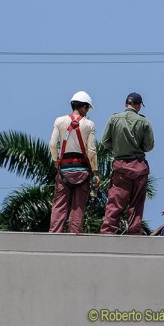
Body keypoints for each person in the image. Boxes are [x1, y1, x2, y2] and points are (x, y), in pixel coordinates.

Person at [100, 92, 155, 235]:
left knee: (115, 202)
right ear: (138, 105)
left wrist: (118, 147)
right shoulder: (145, 122)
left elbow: (105, 142)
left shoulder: (114, 119)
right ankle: (133, 232)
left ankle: (108, 232)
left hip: (120, 168)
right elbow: (149, 146)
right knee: (136, 205)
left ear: (126, 104)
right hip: (139, 168)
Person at [49, 91, 100, 233]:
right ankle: (74, 235)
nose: (87, 112)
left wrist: (55, 161)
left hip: (64, 170)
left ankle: (54, 234)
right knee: (78, 207)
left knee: (59, 205)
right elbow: (92, 151)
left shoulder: (59, 121)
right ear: (83, 107)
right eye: (87, 108)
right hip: (82, 170)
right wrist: (95, 172)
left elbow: (52, 144)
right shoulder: (89, 125)